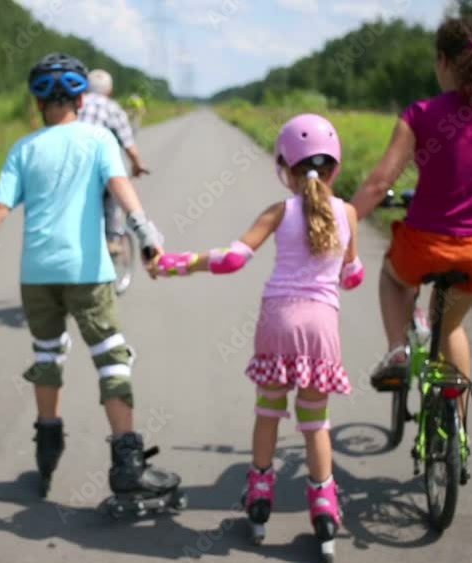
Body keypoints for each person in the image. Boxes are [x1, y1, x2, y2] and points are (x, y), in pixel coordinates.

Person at [0, 53, 180, 500]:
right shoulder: (99, 139)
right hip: (87, 273)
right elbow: (120, 187)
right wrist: (147, 236)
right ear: (81, 99)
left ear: (38, 102)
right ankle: (127, 466)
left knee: (47, 355)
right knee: (112, 358)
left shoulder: (24, 148)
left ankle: (47, 446)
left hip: (36, 276)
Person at [150, 114, 364, 556]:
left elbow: (232, 259)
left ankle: (260, 497)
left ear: (284, 167)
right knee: (315, 423)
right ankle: (324, 508)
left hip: (277, 324)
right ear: (335, 167)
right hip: (321, 329)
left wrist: (176, 263)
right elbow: (353, 276)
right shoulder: (348, 214)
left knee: (269, 413)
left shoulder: (279, 212)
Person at [349, 17, 472, 399]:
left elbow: (379, 185)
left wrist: (344, 219)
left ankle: (397, 351)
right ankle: (457, 428)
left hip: (424, 245)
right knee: (449, 327)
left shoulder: (419, 114)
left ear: (443, 61)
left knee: (393, 278)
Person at [78, 68, 150, 256]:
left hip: (71, 165)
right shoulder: (112, 108)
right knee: (114, 191)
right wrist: (137, 164)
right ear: (110, 91)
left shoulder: (76, 104)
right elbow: (128, 144)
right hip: (97, 167)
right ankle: (112, 238)